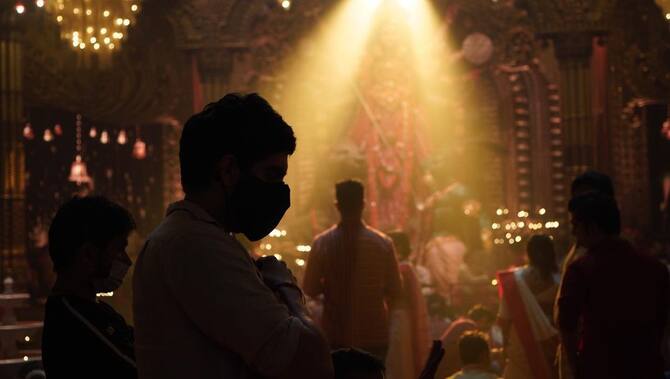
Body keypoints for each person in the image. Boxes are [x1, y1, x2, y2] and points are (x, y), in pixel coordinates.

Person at [133, 93, 333, 378]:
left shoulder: (188, 237)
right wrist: (288, 290)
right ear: (228, 171)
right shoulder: (198, 246)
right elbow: (309, 361)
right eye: (272, 175)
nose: (280, 191)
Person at [558, 193, 669, 379]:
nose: (573, 232)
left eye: (575, 225)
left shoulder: (580, 270)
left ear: (592, 227)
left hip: (599, 369)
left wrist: (576, 367)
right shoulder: (656, 268)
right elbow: (663, 322)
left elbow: (566, 326)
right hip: (647, 367)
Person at [303, 179, 403, 360]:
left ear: (337, 205)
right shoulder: (382, 243)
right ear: (363, 204)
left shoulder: (322, 243)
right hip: (375, 334)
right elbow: (396, 289)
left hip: (336, 336)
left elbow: (309, 287)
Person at [42, 196, 137, 379]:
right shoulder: (73, 321)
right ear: (88, 255)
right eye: (118, 249)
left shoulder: (96, 309)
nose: (126, 260)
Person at [555, 171, 615, 379]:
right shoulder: (576, 252)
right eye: (578, 199)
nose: (583, 205)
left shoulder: (603, 258)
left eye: (589, 198)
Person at [497, 235, 559, 379]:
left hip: (521, 347)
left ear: (528, 253)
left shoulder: (515, 281)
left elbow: (503, 320)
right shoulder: (560, 280)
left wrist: (504, 347)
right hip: (551, 348)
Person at [386, 231, 431, 378]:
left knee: (398, 359)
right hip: (396, 318)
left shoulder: (404, 268)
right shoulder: (404, 267)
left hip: (398, 319)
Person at [436, 305, 496, 378]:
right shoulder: (469, 326)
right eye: (487, 327)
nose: (486, 331)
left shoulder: (461, 324)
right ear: (483, 319)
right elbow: (478, 352)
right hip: (446, 368)